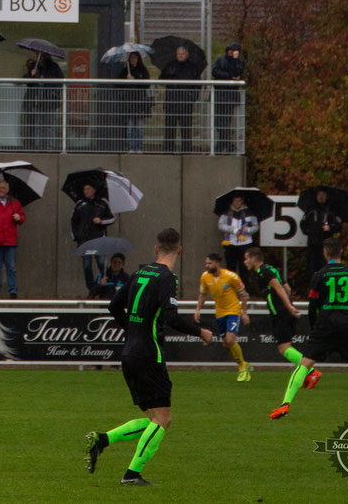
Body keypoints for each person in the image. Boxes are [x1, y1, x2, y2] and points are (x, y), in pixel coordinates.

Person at [84, 228, 212, 486]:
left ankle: (103, 439)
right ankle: (132, 474)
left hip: (129, 353)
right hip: (148, 354)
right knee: (163, 419)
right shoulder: (167, 277)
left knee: (155, 419)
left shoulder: (140, 272)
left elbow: (113, 305)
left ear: (156, 249)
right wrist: (200, 332)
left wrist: (131, 329)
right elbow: (171, 317)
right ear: (179, 250)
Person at [270, 238, 348, 420]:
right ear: (341, 253)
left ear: (325, 253)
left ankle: (285, 404)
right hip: (347, 322)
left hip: (325, 323)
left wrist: (314, 327)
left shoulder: (319, 275)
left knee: (304, 364)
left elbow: (312, 306)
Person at [244, 247, 321, 388]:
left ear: (254, 259)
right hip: (283, 311)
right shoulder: (271, 269)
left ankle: (311, 371)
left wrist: (288, 307)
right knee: (285, 347)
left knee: (284, 348)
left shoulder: (263, 272)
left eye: (247, 258)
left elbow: (279, 288)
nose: (245, 262)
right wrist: (288, 304)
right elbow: (288, 288)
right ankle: (308, 373)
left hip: (280, 313)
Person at [193, 253, 251, 381]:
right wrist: (198, 309)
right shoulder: (205, 277)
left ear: (217, 264)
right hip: (219, 313)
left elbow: (243, 295)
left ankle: (242, 368)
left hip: (233, 311)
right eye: (206, 263)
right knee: (226, 343)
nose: (206, 265)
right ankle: (243, 364)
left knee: (230, 340)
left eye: (209, 263)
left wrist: (244, 312)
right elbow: (203, 295)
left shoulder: (231, 277)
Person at [71, 184, 116, 293]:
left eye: (89, 189)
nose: (86, 191)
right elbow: (73, 221)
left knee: (101, 263)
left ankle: (106, 285)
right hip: (84, 240)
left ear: (94, 190)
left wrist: (101, 221)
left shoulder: (102, 203)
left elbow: (112, 218)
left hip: (99, 239)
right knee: (86, 265)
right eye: (84, 189)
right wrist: (76, 236)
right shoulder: (80, 204)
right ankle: (92, 288)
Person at [159, 45, 202, 153]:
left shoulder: (193, 67)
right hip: (171, 102)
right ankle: (168, 149)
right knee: (169, 128)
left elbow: (198, 85)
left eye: (182, 54)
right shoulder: (170, 66)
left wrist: (192, 98)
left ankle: (186, 150)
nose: (180, 56)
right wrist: (169, 75)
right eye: (179, 54)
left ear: (187, 55)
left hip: (186, 103)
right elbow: (161, 80)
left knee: (186, 128)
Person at [299, 188, 342, 289]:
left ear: (326, 196)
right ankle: (313, 289)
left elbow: (339, 226)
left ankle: (325, 289)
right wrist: (310, 231)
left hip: (326, 245)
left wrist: (330, 228)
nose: (321, 196)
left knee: (326, 268)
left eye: (323, 194)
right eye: (319, 194)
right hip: (313, 244)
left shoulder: (331, 211)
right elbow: (303, 224)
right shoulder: (310, 210)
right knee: (312, 268)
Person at [23, 51, 64, 150]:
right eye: (37, 54)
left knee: (49, 124)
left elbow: (60, 81)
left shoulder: (53, 66)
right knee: (38, 124)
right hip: (37, 100)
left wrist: (45, 78)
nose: (37, 56)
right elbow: (28, 83)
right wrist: (31, 75)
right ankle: (38, 146)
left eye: (39, 55)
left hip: (50, 100)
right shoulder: (34, 66)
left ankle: (50, 146)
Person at [218, 193, 258, 288]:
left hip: (245, 243)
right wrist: (233, 230)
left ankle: (244, 289)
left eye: (239, 200)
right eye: (235, 200)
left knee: (244, 268)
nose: (237, 203)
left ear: (242, 201)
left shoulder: (250, 212)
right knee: (230, 267)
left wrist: (248, 230)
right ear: (232, 201)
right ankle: (231, 289)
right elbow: (220, 225)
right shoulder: (226, 212)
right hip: (230, 243)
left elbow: (256, 226)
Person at [211, 42, 244, 153]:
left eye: (234, 50)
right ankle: (227, 144)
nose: (231, 51)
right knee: (218, 122)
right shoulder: (220, 60)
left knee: (226, 121)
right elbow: (215, 71)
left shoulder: (239, 62)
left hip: (230, 97)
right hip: (219, 95)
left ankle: (220, 147)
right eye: (230, 49)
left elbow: (238, 72)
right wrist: (229, 76)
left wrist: (235, 60)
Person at [121, 52, 152, 153]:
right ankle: (131, 147)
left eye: (135, 58)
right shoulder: (125, 71)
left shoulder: (143, 71)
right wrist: (126, 80)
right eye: (131, 58)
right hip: (129, 102)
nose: (133, 60)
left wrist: (135, 80)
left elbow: (146, 84)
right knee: (130, 127)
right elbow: (118, 85)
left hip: (140, 102)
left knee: (139, 127)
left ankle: (139, 148)